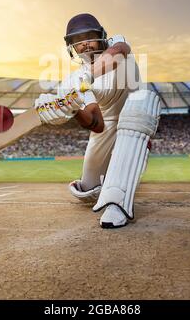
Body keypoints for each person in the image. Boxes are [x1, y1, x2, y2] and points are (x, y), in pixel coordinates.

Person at [34, 13, 161, 229]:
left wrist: (90, 76)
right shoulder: (72, 81)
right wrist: (72, 110)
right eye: (78, 41)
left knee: (135, 114)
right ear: (71, 47)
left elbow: (119, 52)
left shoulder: (116, 43)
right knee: (88, 188)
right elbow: (97, 123)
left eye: (89, 37)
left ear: (101, 36)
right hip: (108, 123)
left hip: (138, 109)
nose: (85, 45)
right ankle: (103, 185)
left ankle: (116, 203)